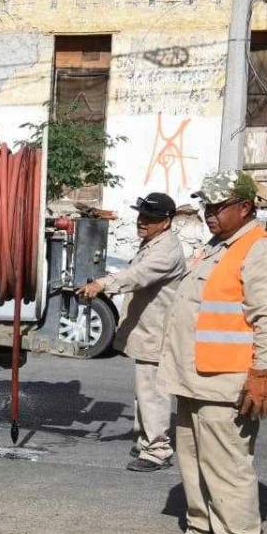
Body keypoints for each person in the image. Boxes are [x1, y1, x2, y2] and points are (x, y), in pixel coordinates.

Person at [153, 171, 267, 534]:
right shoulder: (218, 248)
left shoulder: (261, 251)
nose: (208, 213)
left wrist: (262, 375)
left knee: (228, 468)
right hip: (195, 378)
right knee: (193, 461)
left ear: (245, 208)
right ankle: (201, 533)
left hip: (227, 383)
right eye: (206, 206)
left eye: (217, 206)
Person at [77, 192, 186, 472]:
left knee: (152, 391)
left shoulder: (166, 250)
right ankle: (145, 440)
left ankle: (158, 449)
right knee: (144, 390)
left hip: (158, 333)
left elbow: (137, 276)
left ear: (166, 222)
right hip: (148, 330)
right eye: (141, 216)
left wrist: (102, 284)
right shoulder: (153, 242)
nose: (142, 222)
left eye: (150, 218)